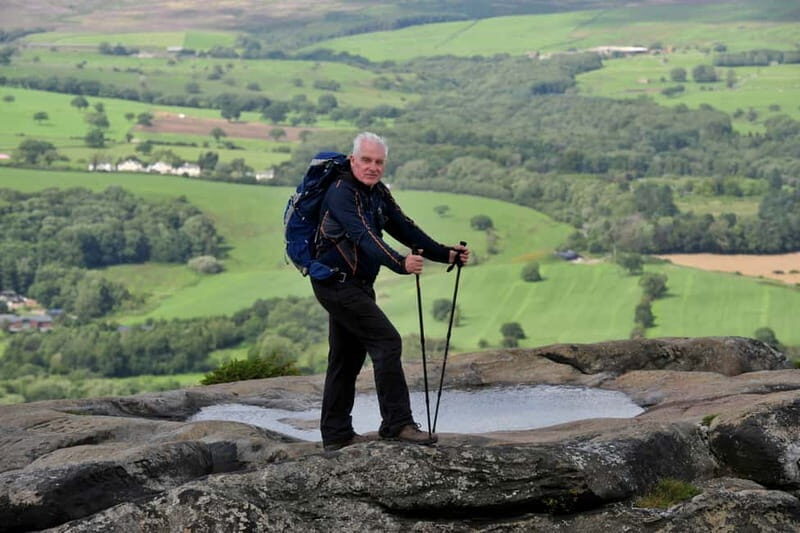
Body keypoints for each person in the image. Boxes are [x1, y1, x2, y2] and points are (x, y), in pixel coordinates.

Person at [311, 131, 469, 451]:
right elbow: (365, 237)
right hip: (336, 284)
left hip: (355, 285)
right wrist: (400, 263)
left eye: (379, 162)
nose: (372, 167)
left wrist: (446, 254)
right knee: (387, 341)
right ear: (353, 160)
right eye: (366, 160)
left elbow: (405, 228)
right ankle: (397, 424)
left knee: (347, 356)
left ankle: (336, 434)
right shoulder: (341, 193)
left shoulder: (377, 192)